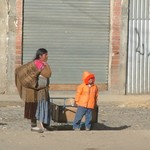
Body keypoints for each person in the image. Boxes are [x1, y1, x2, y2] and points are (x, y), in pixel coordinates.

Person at [15, 48, 52, 133]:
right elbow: (48, 74)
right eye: (45, 55)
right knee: (35, 107)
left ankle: (44, 124)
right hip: (35, 91)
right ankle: (34, 126)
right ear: (40, 56)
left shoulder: (38, 63)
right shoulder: (38, 64)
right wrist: (46, 65)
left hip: (39, 90)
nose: (47, 56)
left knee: (40, 106)